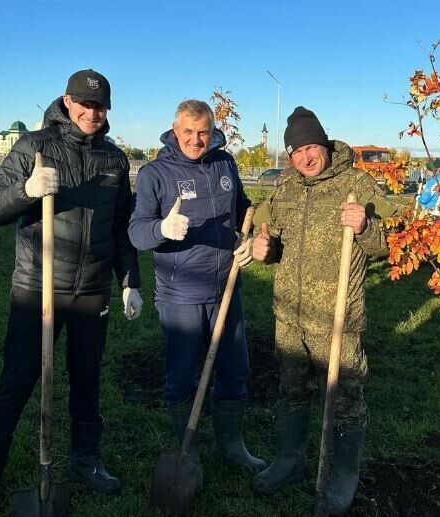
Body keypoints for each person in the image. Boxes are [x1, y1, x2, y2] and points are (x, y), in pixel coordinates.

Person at [0, 69, 143, 516]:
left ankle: (86, 459)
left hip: (93, 290)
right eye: (85, 104)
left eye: (100, 107)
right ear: (66, 100)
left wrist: (130, 281)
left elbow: (121, 228)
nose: (92, 113)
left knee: (87, 380)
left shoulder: (115, 160)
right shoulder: (35, 146)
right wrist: (25, 191)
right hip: (37, 288)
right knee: (17, 381)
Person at [250, 106, 396, 514]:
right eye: (297, 152)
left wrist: (367, 228)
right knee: (291, 387)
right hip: (290, 315)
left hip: (336, 316)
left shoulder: (358, 184)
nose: (306, 157)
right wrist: (264, 251)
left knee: (345, 395)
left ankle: (343, 474)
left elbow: (389, 247)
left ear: (325, 145)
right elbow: (270, 240)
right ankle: (289, 459)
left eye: (312, 147)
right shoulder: (286, 188)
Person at [128, 100, 265, 473]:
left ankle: (232, 445)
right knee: (181, 376)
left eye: (203, 131)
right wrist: (161, 229)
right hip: (181, 296)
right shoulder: (154, 173)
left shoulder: (225, 163)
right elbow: (137, 232)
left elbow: (243, 210)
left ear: (212, 129)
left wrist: (250, 239)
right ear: (175, 130)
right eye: (187, 132)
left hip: (225, 286)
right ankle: (187, 451)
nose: (195, 139)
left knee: (235, 370)